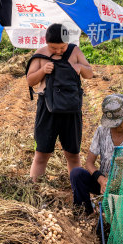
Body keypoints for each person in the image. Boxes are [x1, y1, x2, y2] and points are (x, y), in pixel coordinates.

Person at [26, 23, 93, 182]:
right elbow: (30, 81)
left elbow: (89, 74)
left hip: (71, 109)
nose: (58, 51)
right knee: (41, 154)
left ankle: (78, 191)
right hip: (47, 110)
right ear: (46, 42)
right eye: (54, 48)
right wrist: (42, 71)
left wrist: (80, 67)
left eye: (62, 47)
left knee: (73, 154)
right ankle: (34, 190)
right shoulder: (40, 54)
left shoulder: (74, 51)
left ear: (68, 42)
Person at [69, 93, 123, 215]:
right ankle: (85, 212)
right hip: (106, 182)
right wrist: (101, 179)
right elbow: (89, 162)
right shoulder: (101, 131)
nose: (114, 127)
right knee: (77, 173)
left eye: (117, 123)